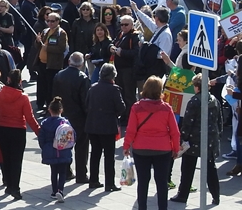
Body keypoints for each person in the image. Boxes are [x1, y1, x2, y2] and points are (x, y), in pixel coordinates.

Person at [124, 76, 180, 210]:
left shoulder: (137, 107)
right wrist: (175, 149)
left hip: (141, 148)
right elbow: (175, 131)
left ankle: (142, 207)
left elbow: (131, 129)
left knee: (143, 182)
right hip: (163, 148)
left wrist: (126, 146)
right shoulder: (166, 108)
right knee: (161, 182)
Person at [172, 73, 220, 205]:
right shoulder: (214, 100)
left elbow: (188, 123)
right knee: (210, 168)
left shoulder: (194, 101)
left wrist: (182, 139)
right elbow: (218, 121)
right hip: (209, 138)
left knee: (187, 168)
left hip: (193, 139)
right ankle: (216, 196)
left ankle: (183, 195)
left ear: (197, 87)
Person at [0, 69, 40, 200]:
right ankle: (15, 187)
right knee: (16, 160)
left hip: (2, 129)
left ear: (8, 79)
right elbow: (30, 118)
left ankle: (8, 185)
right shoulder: (23, 97)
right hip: (18, 130)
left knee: (6, 159)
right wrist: (39, 132)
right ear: (20, 81)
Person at [86, 63, 125, 191]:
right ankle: (109, 183)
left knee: (95, 153)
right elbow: (121, 108)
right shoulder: (114, 89)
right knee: (109, 156)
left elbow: (86, 105)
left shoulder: (93, 88)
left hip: (92, 124)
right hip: (108, 126)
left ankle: (93, 180)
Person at [53, 52, 90, 183]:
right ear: (81, 64)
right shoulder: (83, 78)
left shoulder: (59, 75)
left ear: (69, 61)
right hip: (79, 117)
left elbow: (54, 96)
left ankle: (66, 171)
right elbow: (85, 100)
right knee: (81, 146)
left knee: (64, 145)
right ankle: (81, 174)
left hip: (63, 115)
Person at [38, 97, 74, 203]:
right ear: (61, 110)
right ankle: (60, 190)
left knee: (54, 172)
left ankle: (54, 191)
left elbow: (41, 138)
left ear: (49, 110)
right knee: (63, 172)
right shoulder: (65, 122)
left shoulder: (45, 123)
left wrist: (45, 148)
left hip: (50, 150)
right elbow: (72, 136)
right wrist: (69, 147)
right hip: (63, 150)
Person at [37, 10, 69, 111]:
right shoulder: (45, 31)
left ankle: (50, 107)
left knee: (50, 87)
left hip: (53, 64)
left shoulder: (61, 33)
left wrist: (48, 48)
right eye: (48, 21)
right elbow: (37, 46)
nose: (50, 23)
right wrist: (37, 41)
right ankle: (40, 104)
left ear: (58, 21)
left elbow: (61, 49)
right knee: (42, 85)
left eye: (52, 21)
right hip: (42, 63)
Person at [113, 14, 141, 112]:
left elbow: (136, 52)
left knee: (129, 95)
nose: (124, 27)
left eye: (126, 25)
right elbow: (114, 43)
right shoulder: (120, 34)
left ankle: (130, 115)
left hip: (128, 69)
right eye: (122, 24)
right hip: (119, 68)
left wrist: (122, 53)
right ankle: (123, 115)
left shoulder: (135, 36)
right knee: (121, 93)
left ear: (132, 25)